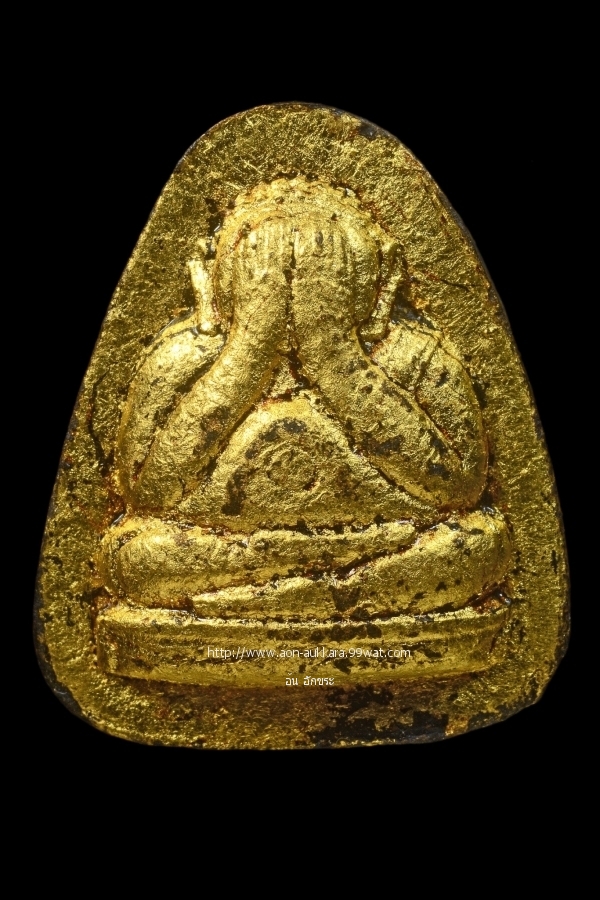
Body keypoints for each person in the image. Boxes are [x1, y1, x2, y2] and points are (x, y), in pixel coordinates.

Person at [100, 177, 511, 621]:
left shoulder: (412, 357)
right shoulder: (182, 358)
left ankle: (298, 595)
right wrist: (249, 350)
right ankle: (326, 591)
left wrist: (334, 354)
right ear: (209, 276)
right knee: (133, 555)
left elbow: (460, 489)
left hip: (382, 542)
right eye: (262, 260)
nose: (293, 280)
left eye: (326, 263)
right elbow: (148, 493)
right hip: (235, 550)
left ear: (384, 277)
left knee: (480, 544)